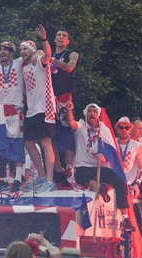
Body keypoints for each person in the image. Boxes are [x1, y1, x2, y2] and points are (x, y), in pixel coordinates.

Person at [67, 103, 129, 211]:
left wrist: (105, 157)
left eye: (94, 111)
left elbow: (111, 151)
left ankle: (124, 217)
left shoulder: (104, 130)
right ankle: (100, 189)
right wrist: (69, 111)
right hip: (83, 166)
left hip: (100, 167)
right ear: (86, 114)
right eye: (90, 111)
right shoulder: (81, 126)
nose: (92, 113)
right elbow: (71, 123)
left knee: (120, 182)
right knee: (87, 177)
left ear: (98, 115)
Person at [20, 25, 57, 193]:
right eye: (20, 49)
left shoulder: (39, 61)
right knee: (28, 143)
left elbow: (48, 55)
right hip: (31, 110)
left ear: (32, 50)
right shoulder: (24, 66)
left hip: (44, 107)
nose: (22, 51)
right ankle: (42, 177)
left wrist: (44, 39)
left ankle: (50, 180)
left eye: (25, 49)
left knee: (45, 142)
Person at [0, 40, 27, 192]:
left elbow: (34, 54)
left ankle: (17, 178)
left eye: (6, 50)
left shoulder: (18, 63)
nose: (2, 52)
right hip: (1, 110)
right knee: (0, 145)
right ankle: (3, 179)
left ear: (12, 52)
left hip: (16, 109)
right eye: (1, 50)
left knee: (17, 143)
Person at [49, 28, 79, 185]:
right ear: (54, 39)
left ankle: (70, 169)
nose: (60, 37)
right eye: (58, 35)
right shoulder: (47, 54)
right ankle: (58, 170)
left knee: (67, 135)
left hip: (64, 99)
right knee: (50, 135)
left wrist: (53, 61)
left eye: (64, 36)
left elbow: (69, 67)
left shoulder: (71, 54)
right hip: (48, 100)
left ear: (68, 41)